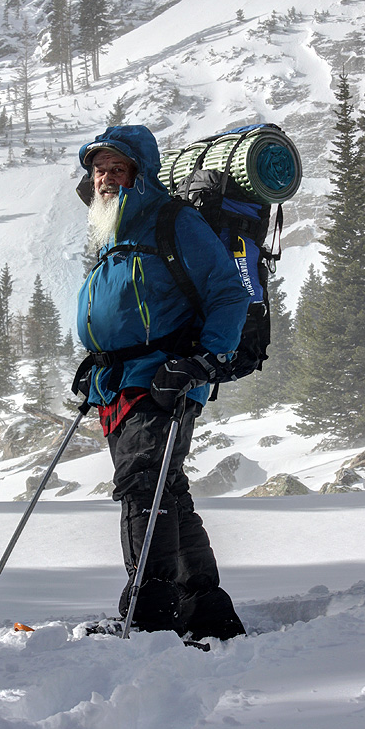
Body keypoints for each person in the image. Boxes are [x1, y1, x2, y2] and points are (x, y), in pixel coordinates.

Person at [74, 125, 248, 641]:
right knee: (165, 486)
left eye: (117, 169)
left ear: (139, 174)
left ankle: (150, 614)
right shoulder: (111, 234)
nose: (105, 179)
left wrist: (202, 360)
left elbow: (229, 293)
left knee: (143, 486)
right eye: (99, 169)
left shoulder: (173, 221)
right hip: (116, 379)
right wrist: (96, 358)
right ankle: (205, 608)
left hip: (164, 376)